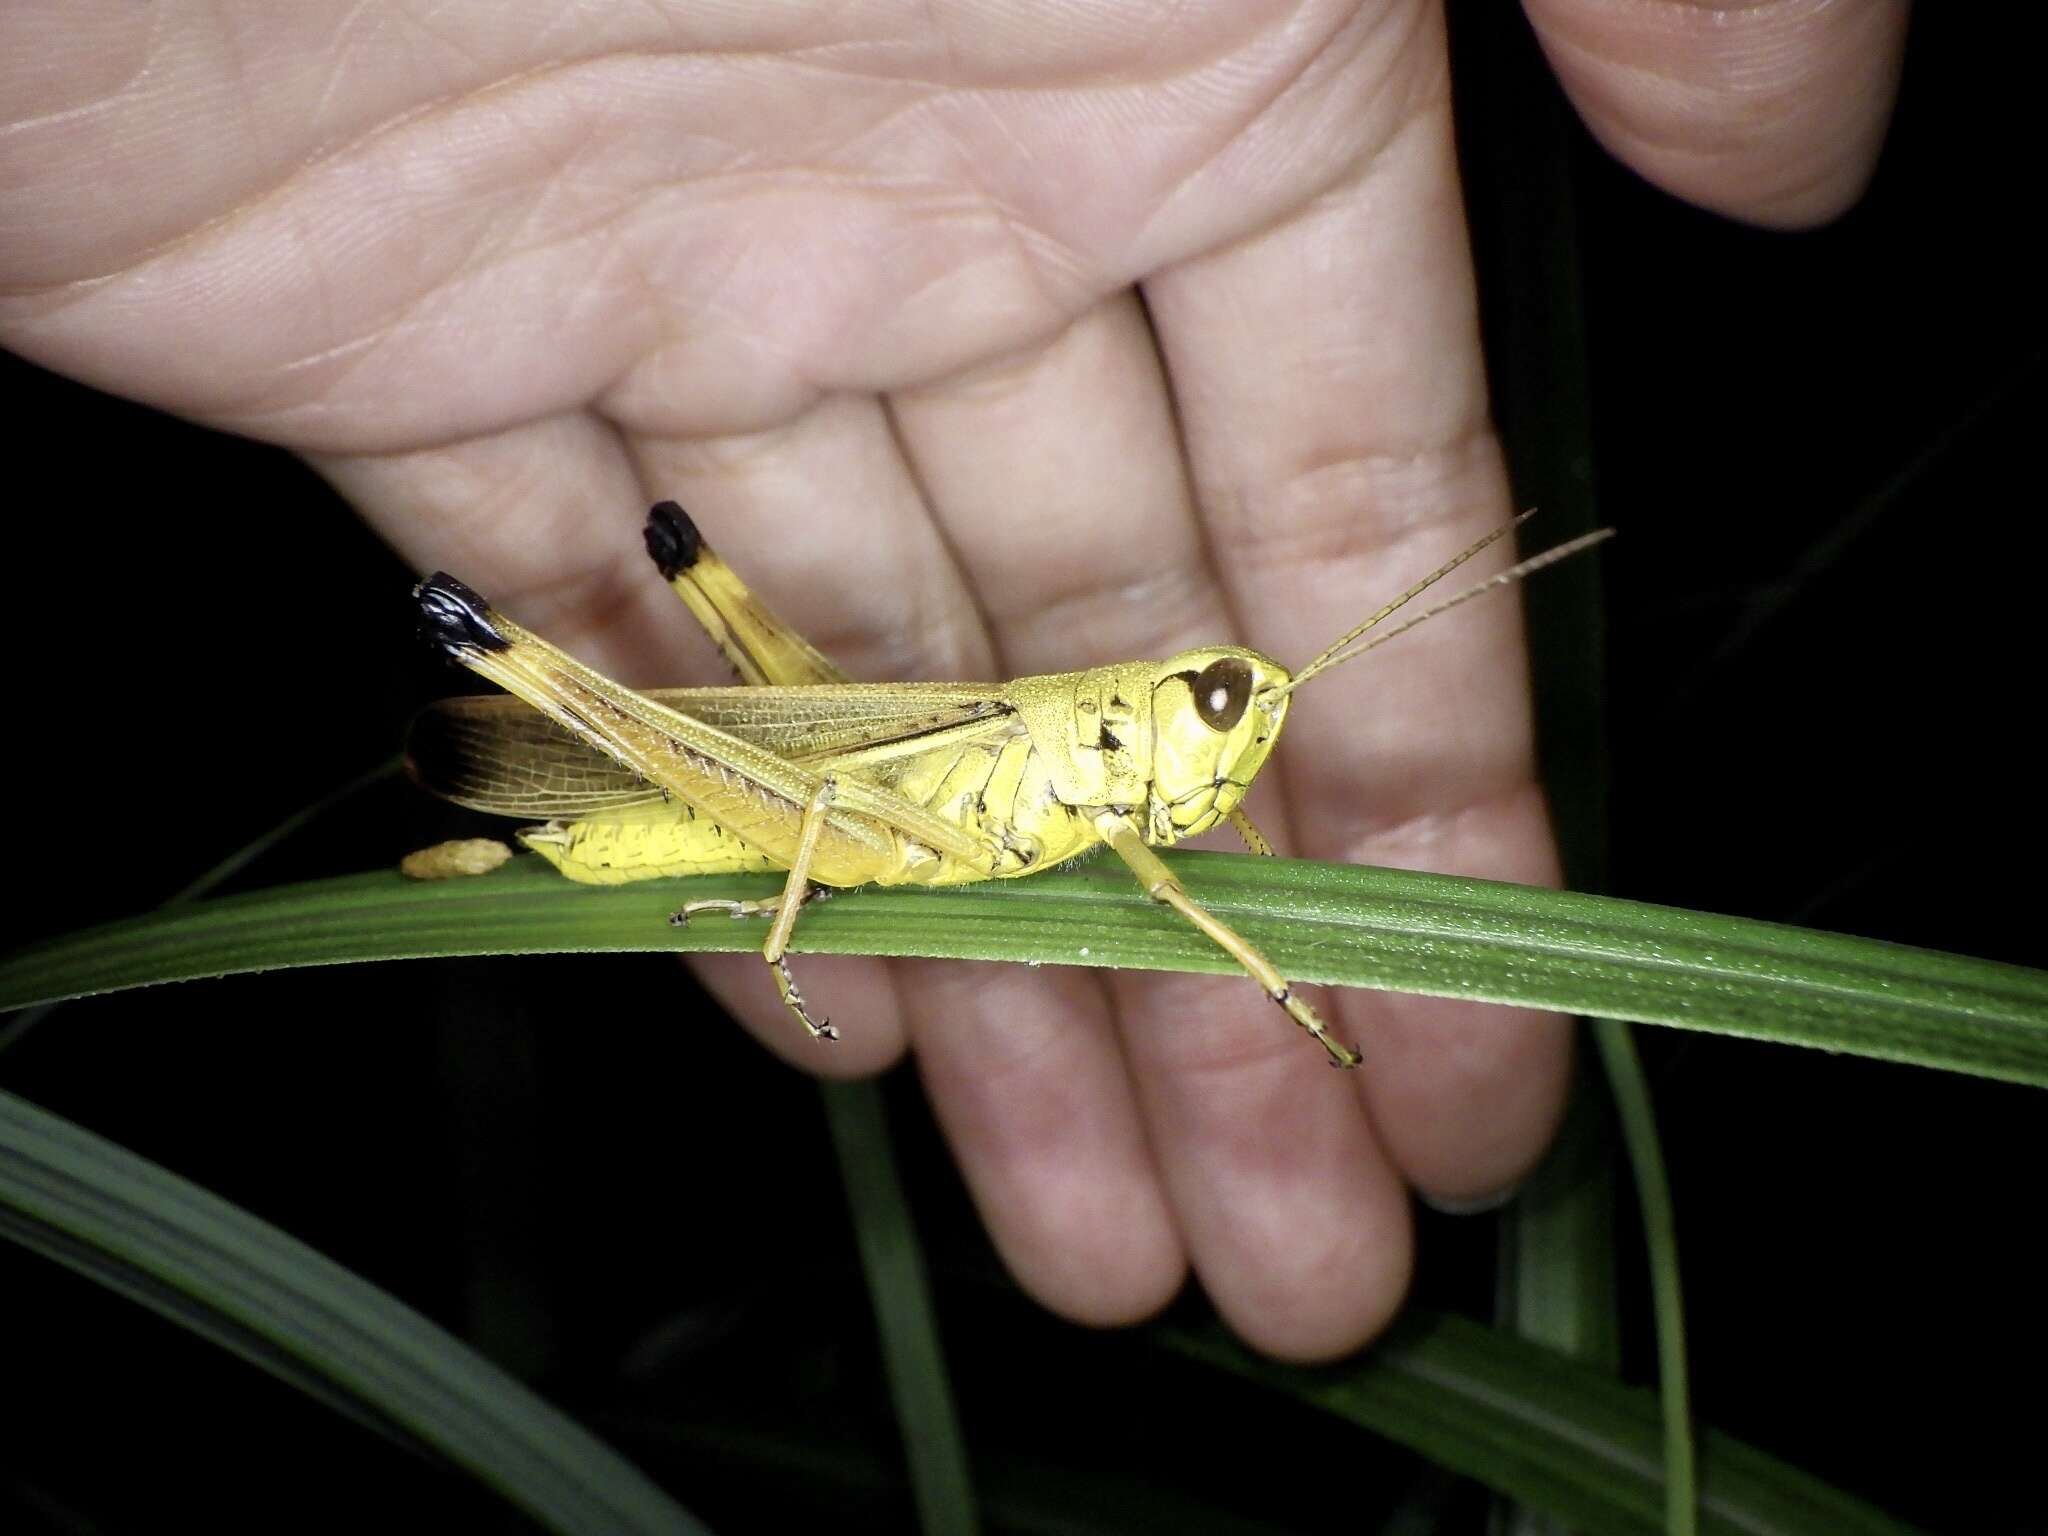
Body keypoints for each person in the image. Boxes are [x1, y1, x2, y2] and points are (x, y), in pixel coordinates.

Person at [0, 0, 1907, 1361]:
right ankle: (519, 747)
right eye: (1229, 709)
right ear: (1166, 715)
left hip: (857, 806)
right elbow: (893, 813)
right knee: (760, 703)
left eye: (1238, 705)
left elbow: (1159, 864)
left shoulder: (1140, 798)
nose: (1239, 744)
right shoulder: (1078, 783)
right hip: (794, 794)